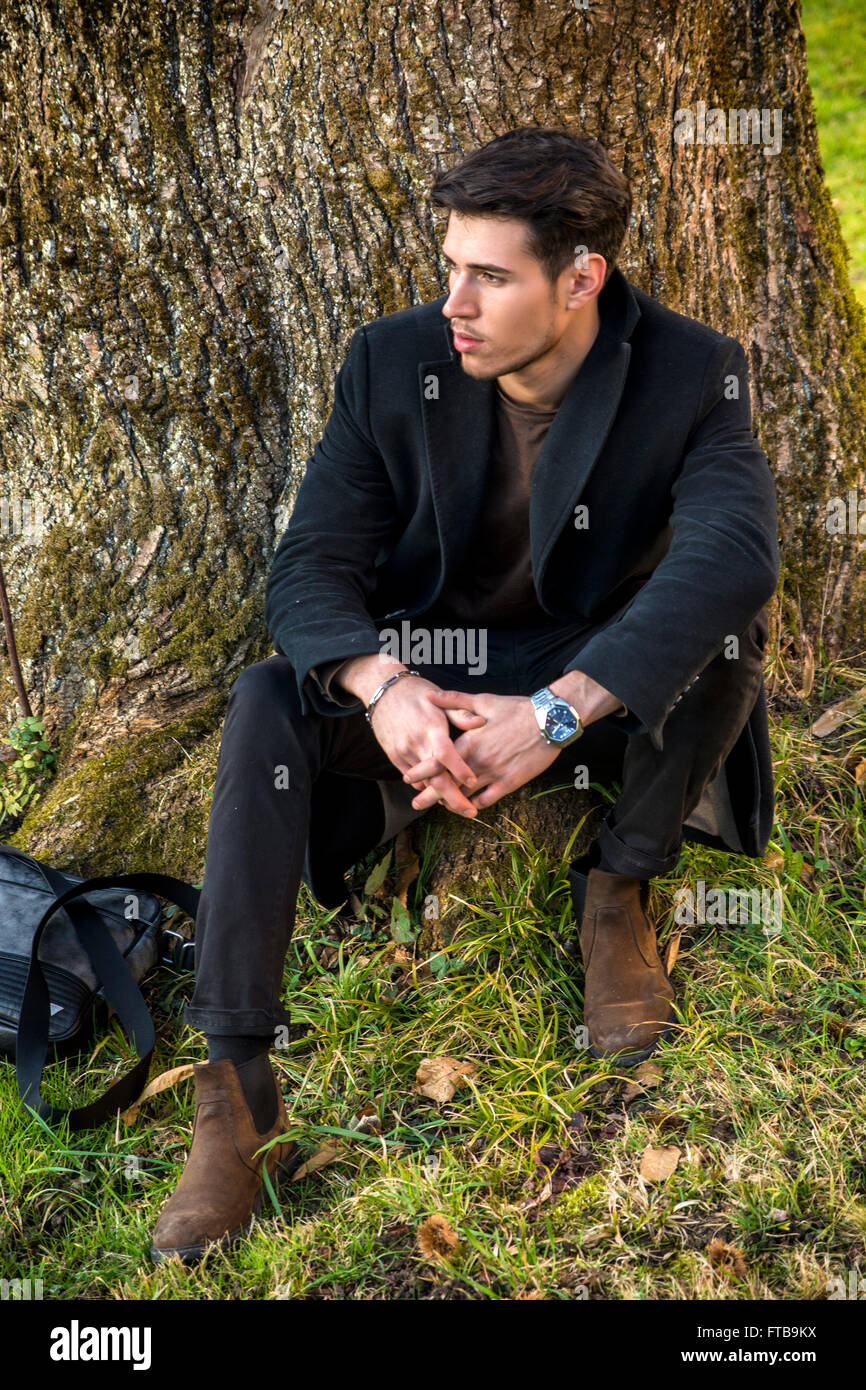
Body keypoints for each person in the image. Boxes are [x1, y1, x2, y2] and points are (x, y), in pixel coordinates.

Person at [150, 127, 779, 1263]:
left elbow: (733, 553)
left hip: (587, 685)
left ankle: (617, 888)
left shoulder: (693, 372)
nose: (456, 300)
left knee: (727, 631)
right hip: (424, 673)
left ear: (580, 279)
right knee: (264, 700)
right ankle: (235, 1084)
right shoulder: (391, 361)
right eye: (450, 266)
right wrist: (380, 682)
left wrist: (553, 716)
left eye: (489, 275)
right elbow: (308, 565)